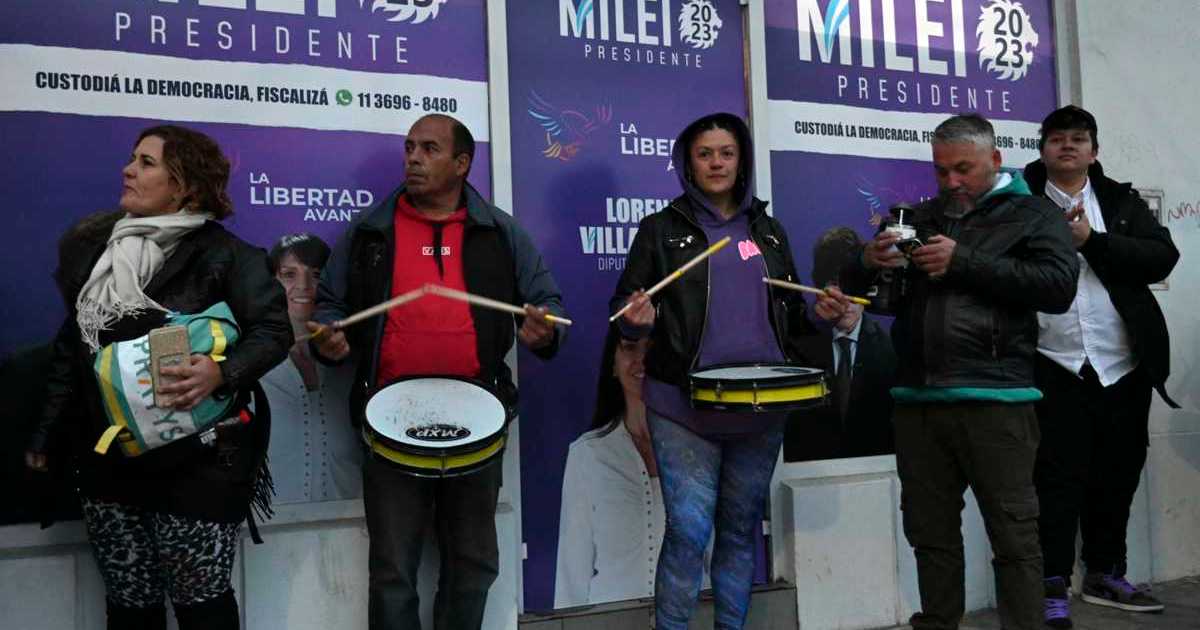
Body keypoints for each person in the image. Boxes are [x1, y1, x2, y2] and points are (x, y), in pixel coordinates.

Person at [24, 124, 292, 629]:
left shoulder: (227, 254)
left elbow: (275, 331)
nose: (128, 170)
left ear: (184, 185)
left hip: (196, 466)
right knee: (131, 606)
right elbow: (71, 349)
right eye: (132, 159)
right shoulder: (98, 253)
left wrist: (221, 372)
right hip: (110, 465)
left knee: (201, 606)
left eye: (146, 163)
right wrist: (45, 435)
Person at [310, 114, 566, 630]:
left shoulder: (500, 232)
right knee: (392, 571)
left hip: (478, 421)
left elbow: (548, 305)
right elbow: (330, 306)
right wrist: (329, 340)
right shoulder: (370, 232)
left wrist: (545, 330)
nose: (413, 158)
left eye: (429, 149)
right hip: (388, 420)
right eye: (409, 147)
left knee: (473, 564)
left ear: (462, 163)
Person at [837, 113, 1079, 630]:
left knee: (1014, 537)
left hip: (998, 402)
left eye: (963, 169)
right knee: (929, 536)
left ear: (995, 159)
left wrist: (964, 261)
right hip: (918, 402)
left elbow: (1059, 288)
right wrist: (867, 261)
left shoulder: (1034, 214)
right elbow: (866, 293)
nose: (951, 182)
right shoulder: (918, 217)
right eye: (941, 170)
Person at [611, 112, 817, 630]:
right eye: (705, 154)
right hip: (683, 408)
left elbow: (793, 313)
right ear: (688, 162)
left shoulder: (768, 230)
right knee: (687, 531)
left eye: (727, 153)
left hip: (761, 409)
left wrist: (828, 316)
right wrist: (636, 322)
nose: (717, 163)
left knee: (740, 529)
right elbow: (624, 312)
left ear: (741, 160)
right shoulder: (659, 229)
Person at [1023, 105, 1179, 627]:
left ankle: (1106, 573)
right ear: (1042, 149)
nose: (1068, 146)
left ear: (1094, 151)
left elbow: (1162, 257)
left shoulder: (1119, 200)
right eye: (1057, 138)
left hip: (1122, 364)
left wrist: (1093, 241)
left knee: (1117, 474)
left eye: (1079, 138)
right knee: (1055, 479)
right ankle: (1050, 584)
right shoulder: (1019, 201)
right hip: (1052, 362)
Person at [554, 327, 711, 608]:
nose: (642, 359)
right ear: (613, 365)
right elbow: (571, 577)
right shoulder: (588, 454)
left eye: (652, 349)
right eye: (629, 347)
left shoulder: (701, 449)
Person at [263, 233, 362, 504]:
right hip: (271, 519)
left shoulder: (353, 358)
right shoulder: (251, 360)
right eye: (289, 275)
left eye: (316, 275)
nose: (304, 286)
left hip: (351, 515)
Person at [784, 227, 896, 462]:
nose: (846, 299)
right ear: (818, 286)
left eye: (855, 285)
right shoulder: (794, 346)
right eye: (837, 284)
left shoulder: (890, 350)